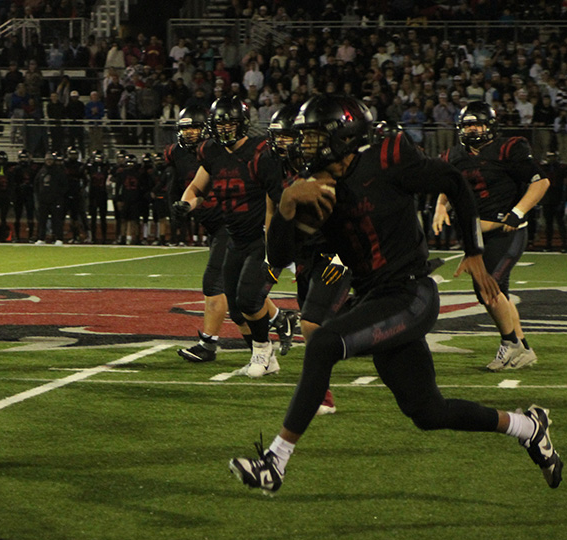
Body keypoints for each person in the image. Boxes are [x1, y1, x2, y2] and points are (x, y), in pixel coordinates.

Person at [229, 94, 562, 495]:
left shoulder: (387, 157)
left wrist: (474, 251)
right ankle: (528, 427)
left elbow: (453, 182)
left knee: (322, 344)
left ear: (344, 137)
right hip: (375, 299)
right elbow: (280, 257)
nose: (305, 147)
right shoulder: (313, 188)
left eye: (314, 138)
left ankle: (275, 462)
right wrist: (285, 207)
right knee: (428, 410)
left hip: (411, 293)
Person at [173, 96, 286, 377]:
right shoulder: (211, 151)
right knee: (236, 309)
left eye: (230, 123)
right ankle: (265, 356)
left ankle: (262, 351)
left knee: (248, 299)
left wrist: (275, 242)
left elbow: (277, 201)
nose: (224, 129)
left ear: (243, 124)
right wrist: (185, 204)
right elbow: (197, 187)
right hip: (235, 237)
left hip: (260, 236)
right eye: (220, 124)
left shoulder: (261, 152)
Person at [433, 101, 550, 371]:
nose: (472, 129)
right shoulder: (454, 156)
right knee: (500, 293)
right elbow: (449, 186)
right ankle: (523, 349)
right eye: (467, 124)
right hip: (476, 237)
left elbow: (541, 181)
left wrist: (518, 212)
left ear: (490, 125)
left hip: (506, 231)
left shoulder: (508, 148)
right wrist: (441, 206)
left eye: (477, 123)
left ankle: (510, 343)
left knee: (487, 287)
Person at [264, 103, 345, 415]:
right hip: (307, 256)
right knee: (323, 319)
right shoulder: (295, 172)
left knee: (311, 322)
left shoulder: (345, 170)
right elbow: (279, 227)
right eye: (304, 137)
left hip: (340, 255)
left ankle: (321, 394)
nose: (304, 143)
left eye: (313, 136)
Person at [34, 152, 68, 245]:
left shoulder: (58, 172)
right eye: (47, 160)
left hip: (55, 200)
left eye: (50, 160)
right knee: (42, 220)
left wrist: (58, 195)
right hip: (43, 200)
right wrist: (39, 195)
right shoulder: (41, 171)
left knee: (56, 220)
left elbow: (64, 185)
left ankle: (58, 238)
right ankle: (41, 238)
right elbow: (36, 184)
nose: (49, 162)